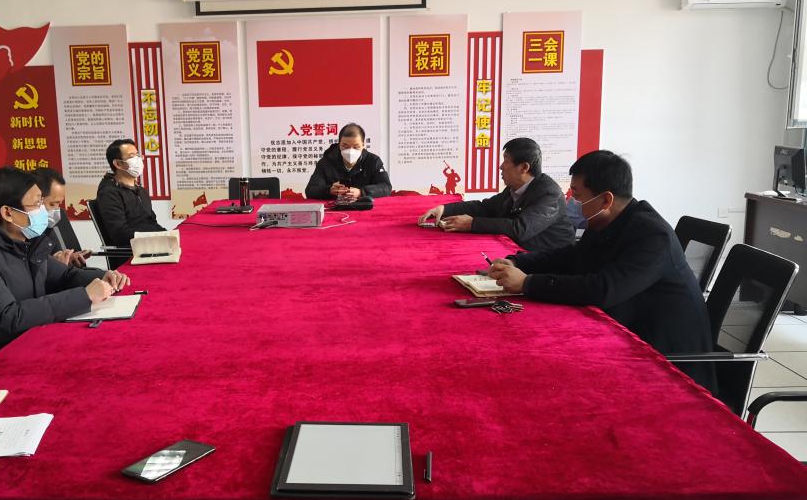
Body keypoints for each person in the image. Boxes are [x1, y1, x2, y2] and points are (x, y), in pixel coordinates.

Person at [487, 150, 716, 393]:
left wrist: (527, 283)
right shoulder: (608, 221)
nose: (571, 202)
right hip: (623, 335)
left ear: (606, 200)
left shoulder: (652, 235)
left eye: (577, 195)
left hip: (667, 365)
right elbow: (572, 257)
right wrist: (519, 262)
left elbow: (603, 289)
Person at [0, 167, 129, 361]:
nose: (43, 211)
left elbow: (64, 275)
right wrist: (85, 296)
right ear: (8, 213)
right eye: (37, 203)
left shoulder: (23, 242)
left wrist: (102, 276)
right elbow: (9, 319)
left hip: (27, 343)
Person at [418, 138, 575, 252]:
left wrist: (472, 224)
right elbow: (485, 207)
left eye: (506, 161)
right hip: (518, 252)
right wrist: (444, 209)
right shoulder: (515, 187)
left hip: (550, 260)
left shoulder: (549, 194)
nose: (501, 167)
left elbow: (520, 229)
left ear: (524, 168)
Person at [96, 139, 165, 247]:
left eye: (138, 155)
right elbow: (120, 234)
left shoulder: (140, 190)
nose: (138, 160)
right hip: (133, 251)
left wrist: (167, 235)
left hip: (152, 245)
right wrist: (156, 238)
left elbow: (151, 222)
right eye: (132, 156)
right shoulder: (108, 193)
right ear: (118, 163)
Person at [305, 123, 392, 200]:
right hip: (334, 208)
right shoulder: (326, 162)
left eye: (356, 147)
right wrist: (329, 190)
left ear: (363, 145)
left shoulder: (373, 161)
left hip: (364, 207)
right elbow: (310, 190)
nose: (350, 151)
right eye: (345, 146)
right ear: (339, 144)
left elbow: (386, 187)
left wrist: (361, 192)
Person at [32, 167, 88, 268]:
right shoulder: (27, 230)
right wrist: (55, 264)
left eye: (59, 203)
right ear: (34, 200)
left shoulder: (52, 222)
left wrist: (69, 258)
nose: (56, 210)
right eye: (52, 204)